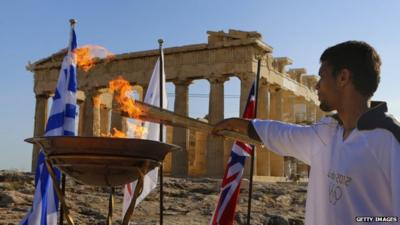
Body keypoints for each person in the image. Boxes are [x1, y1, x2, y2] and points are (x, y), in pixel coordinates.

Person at [213, 41, 400, 225]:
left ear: (343, 77)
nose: (317, 86)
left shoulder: (391, 140)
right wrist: (244, 125)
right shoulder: (327, 132)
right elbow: (284, 134)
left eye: (322, 76)